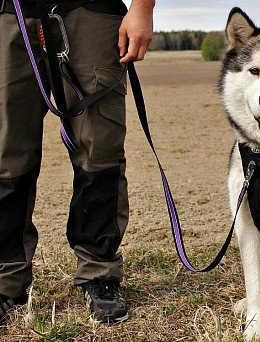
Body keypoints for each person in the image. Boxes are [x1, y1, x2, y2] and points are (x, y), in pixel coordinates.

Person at [0, 0, 154, 324]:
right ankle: (6, 281)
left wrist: (143, 6)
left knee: (101, 149)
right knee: (6, 154)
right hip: (9, 12)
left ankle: (99, 273)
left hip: (91, 9)